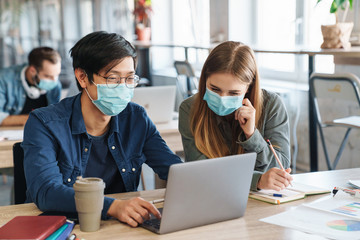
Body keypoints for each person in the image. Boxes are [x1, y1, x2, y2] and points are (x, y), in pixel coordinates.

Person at [22, 31, 182, 227]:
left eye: (129, 79)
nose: (123, 87)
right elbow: (46, 191)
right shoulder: (43, 123)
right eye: (113, 79)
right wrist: (112, 207)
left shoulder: (136, 118)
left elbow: (174, 170)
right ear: (82, 77)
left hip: (120, 226)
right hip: (63, 226)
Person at [179, 41, 293, 192]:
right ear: (204, 79)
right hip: (213, 196)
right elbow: (201, 172)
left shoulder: (272, 105)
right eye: (215, 89)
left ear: (249, 87)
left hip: (265, 200)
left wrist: (252, 135)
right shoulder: (189, 109)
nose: (222, 98)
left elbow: (281, 169)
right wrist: (257, 180)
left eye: (233, 93)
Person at [0, 47, 62, 126]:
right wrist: (35, 119)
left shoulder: (56, 85)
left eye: (57, 75)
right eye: (48, 76)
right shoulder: (4, 79)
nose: (54, 80)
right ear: (32, 70)